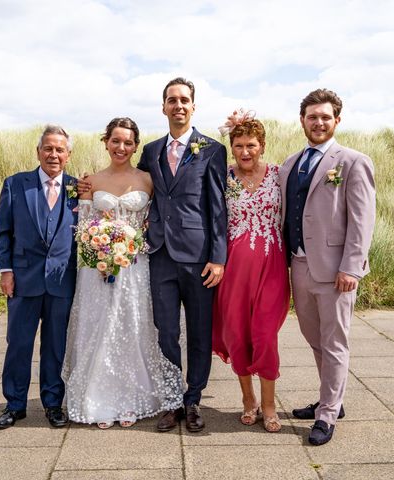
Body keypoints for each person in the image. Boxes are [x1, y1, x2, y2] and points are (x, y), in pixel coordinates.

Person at [62, 117, 184, 429]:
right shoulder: (91, 181)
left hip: (135, 266)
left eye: (128, 142)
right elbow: (84, 226)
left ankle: (130, 398)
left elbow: (161, 216)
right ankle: (100, 400)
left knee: (132, 328)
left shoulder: (147, 179)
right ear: (105, 142)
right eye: (115, 141)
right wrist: (98, 253)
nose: (121, 147)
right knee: (99, 327)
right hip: (98, 267)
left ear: (135, 146)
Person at [280, 89, 376, 445]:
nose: (318, 123)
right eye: (311, 117)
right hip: (298, 265)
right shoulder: (290, 163)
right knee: (313, 337)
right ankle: (333, 400)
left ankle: (327, 415)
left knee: (334, 341)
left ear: (337, 120)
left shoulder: (352, 161)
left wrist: (351, 267)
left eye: (325, 117)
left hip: (336, 270)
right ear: (302, 120)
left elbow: (362, 220)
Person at [138, 77, 228, 432]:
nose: (178, 106)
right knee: (165, 332)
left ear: (193, 106)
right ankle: (172, 400)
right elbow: (136, 188)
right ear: (163, 107)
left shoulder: (211, 149)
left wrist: (218, 258)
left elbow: (218, 208)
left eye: (184, 100)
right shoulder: (150, 151)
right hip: (159, 254)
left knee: (200, 332)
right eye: (171, 100)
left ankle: (193, 400)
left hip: (199, 257)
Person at [0, 125, 78, 429]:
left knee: (55, 346)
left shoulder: (78, 188)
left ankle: (53, 404)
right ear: (38, 151)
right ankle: (14, 404)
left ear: (68, 154)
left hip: (61, 282)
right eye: (48, 148)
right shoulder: (16, 184)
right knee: (18, 343)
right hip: (23, 279)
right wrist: (5, 269)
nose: (53, 154)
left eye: (60, 149)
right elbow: (3, 233)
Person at [212, 110, 290, 433]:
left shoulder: (279, 175)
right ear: (232, 147)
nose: (245, 151)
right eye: (239, 145)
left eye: (252, 145)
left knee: (264, 335)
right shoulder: (223, 177)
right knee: (237, 335)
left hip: (271, 265)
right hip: (234, 269)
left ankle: (270, 404)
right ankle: (249, 399)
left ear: (263, 145)